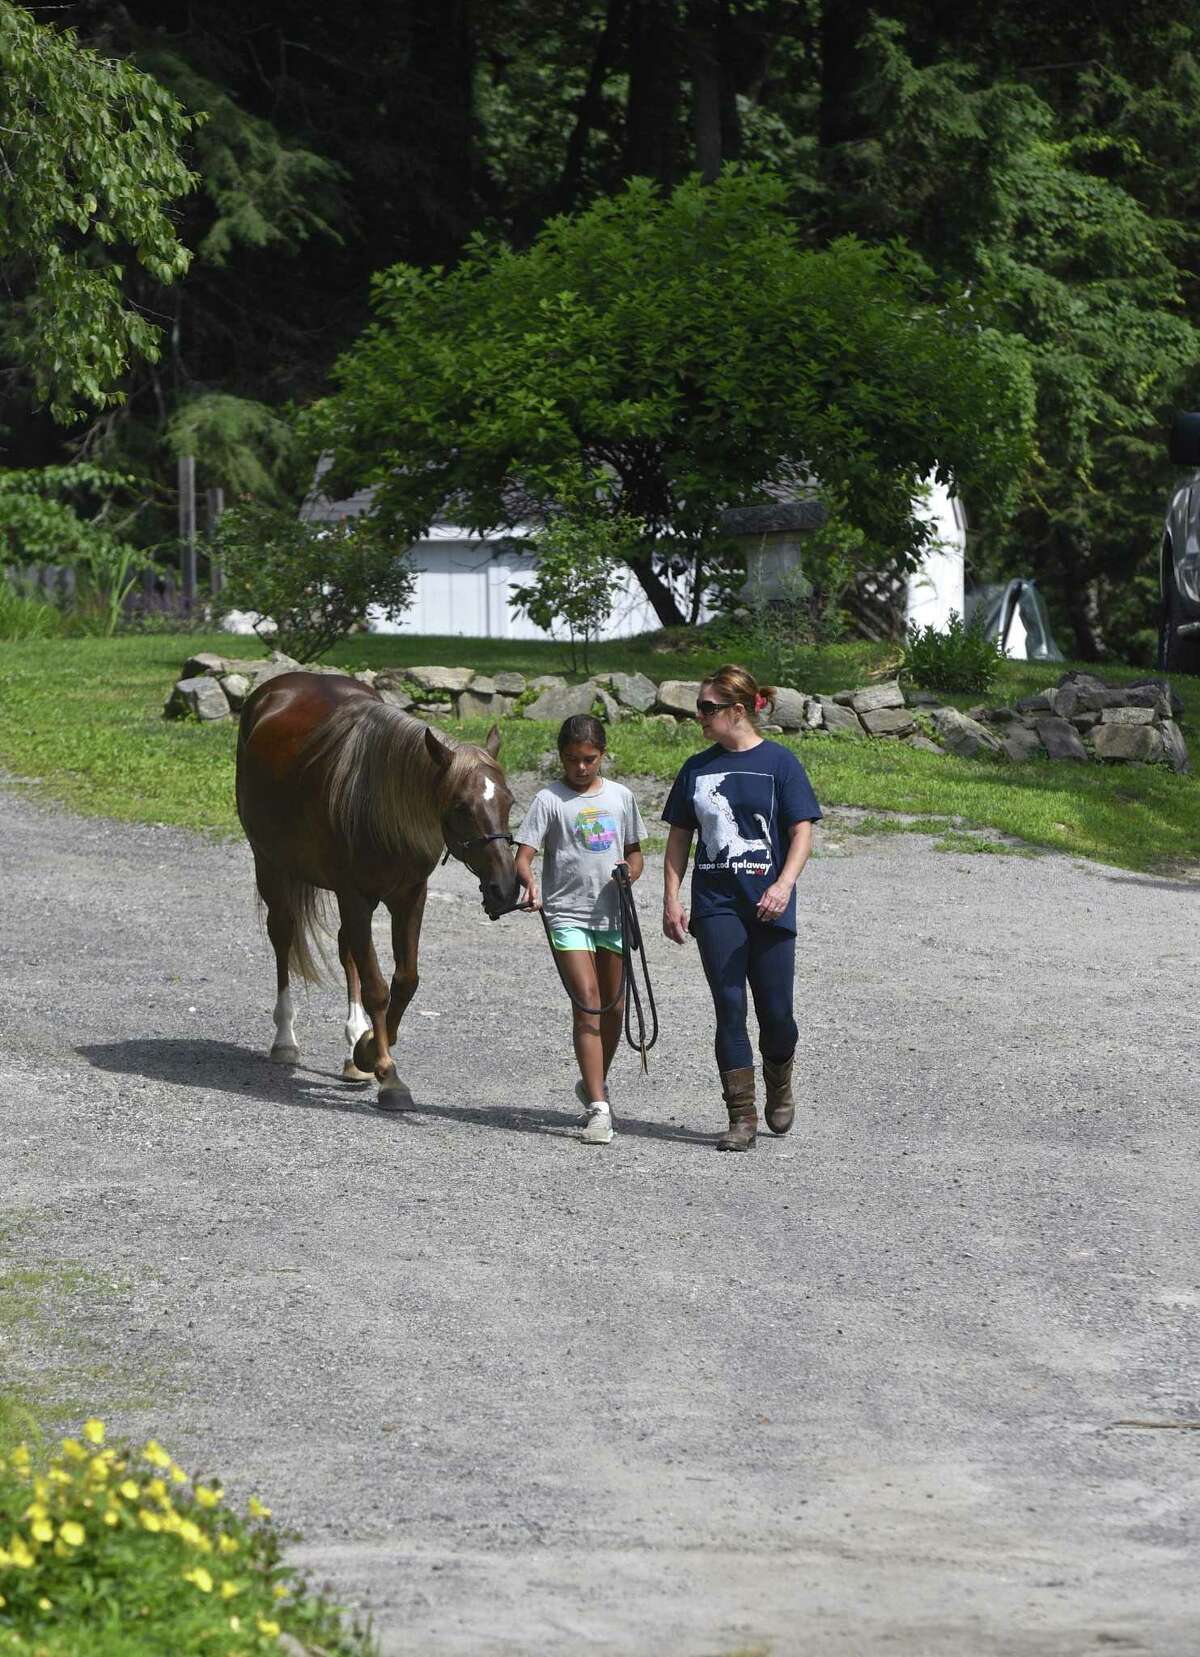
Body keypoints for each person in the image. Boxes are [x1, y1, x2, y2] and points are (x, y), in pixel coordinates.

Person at [662, 664, 821, 1151]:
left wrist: (784, 885)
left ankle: (780, 1080)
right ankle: (741, 1117)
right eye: (698, 707)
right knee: (729, 1007)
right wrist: (671, 897)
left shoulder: (780, 763)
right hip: (716, 904)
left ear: (737, 710)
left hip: (770, 904)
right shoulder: (696, 768)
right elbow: (679, 838)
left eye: (707, 708)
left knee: (777, 1016)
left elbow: (801, 832)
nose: (699, 716)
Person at [515, 715, 647, 1145]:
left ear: (602, 755)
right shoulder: (549, 800)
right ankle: (599, 1109)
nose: (581, 767)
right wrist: (529, 883)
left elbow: (635, 853)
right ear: (561, 757)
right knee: (588, 1003)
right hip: (567, 915)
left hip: (612, 913)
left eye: (589, 759)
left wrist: (630, 872)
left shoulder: (621, 797)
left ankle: (592, 1083)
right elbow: (523, 856)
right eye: (573, 759)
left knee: (614, 1007)